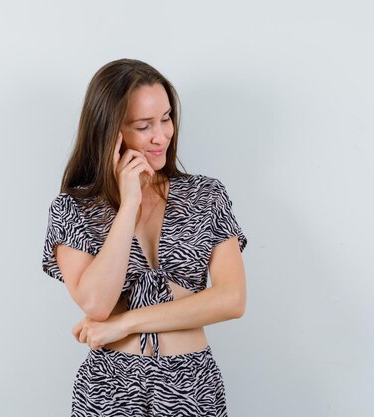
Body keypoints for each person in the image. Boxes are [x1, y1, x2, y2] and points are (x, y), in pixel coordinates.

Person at [41, 58, 248, 417]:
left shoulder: (206, 195)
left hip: (191, 384)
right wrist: (129, 205)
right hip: (110, 386)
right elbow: (97, 305)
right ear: (111, 132)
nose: (161, 135)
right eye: (144, 125)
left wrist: (127, 322)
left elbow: (232, 299)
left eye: (166, 118)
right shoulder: (73, 209)